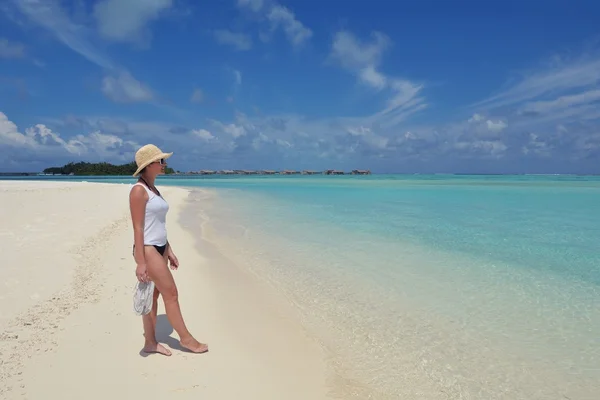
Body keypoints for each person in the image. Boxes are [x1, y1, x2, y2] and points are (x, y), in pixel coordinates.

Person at [129, 144, 208, 356]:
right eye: (161, 161)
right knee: (171, 293)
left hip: (161, 246)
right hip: (147, 249)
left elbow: (157, 224)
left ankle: (150, 342)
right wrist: (140, 262)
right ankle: (186, 340)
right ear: (149, 165)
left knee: (153, 296)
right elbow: (137, 228)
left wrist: (169, 249)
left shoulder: (153, 189)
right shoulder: (139, 190)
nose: (165, 165)